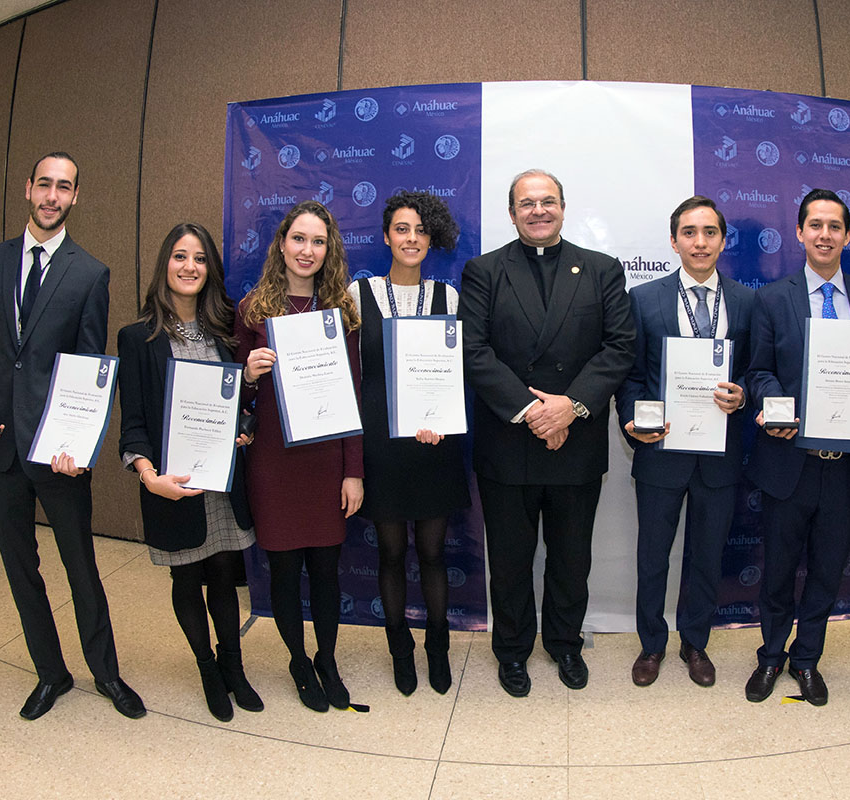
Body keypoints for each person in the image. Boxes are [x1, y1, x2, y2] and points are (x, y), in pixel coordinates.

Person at [0, 151, 145, 719]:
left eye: (64, 188)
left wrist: (80, 446)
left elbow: (89, 367)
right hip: (0, 449)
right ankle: (51, 674)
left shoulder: (89, 273)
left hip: (59, 454)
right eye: (44, 184)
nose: (52, 196)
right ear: (28, 189)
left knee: (80, 567)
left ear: (76, 197)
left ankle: (106, 675)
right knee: (20, 569)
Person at [458, 169, 634, 696]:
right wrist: (534, 413)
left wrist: (571, 406)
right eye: (527, 203)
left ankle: (564, 644)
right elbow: (473, 349)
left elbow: (619, 347)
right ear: (511, 213)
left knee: (571, 559)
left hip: (575, 445)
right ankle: (512, 651)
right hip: (508, 444)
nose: (538, 210)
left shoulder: (602, 270)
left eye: (548, 201)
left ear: (563, 207)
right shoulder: (484, 271)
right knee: (510, 562)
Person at [744, 188, 850, 707]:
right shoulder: (771, 298)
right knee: (780, 570)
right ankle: (770, 655)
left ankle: (806, 659)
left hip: (845, 468)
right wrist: (774, 403)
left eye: (835, 226)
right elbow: (758, 371)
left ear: (848, 236)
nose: (825, 234)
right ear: (800, 233)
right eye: (816, 225)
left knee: (827, 571)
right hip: (789, 462)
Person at [117, 222, 263, 721]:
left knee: (224, 573)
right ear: (165, 265)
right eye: (180, 257)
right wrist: (147, 474)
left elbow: (238, 400)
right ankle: (206, 668)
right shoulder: (138, 337)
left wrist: (243, 426)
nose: (190, 267)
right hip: (172, 485)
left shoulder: (224, 329)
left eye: (200, 259)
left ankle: (233, 666)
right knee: (188, 579)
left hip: (222, 484)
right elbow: (132, 421)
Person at [615, 196, 753, 687]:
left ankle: (695, 642)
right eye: (690, 233)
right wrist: (633, 417)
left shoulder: (745, 301)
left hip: (720, 454)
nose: (700, 242)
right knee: (653, 555)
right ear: (673, 242)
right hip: (660, 453)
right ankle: (651, 645)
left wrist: (745, 395)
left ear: (722, 240)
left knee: (707, 555)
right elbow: (630, 377)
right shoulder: (644, 299)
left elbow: (757, 373)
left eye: (710, 232)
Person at [234, 200, 364, 713]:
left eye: (318, 241)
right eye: (298, 239)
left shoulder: (342, 312)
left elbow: (354, 394)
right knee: (284, 572)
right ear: (282, 244)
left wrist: (353, 470)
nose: (307, 250)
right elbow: (233, 397)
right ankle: (296, 659)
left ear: (328, 249)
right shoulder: (252, 309)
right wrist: (246, 373)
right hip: (273, 463)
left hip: (326, 463)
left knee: (327, 569)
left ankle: (327, 659)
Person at [346, 191, 469, 696]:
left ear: (431, 238)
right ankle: (400, 647)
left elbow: (456, 373)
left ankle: (437, 645)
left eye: (420, 230)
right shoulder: (358, 296)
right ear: (386, 237)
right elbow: (350, 374)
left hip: (435, 444)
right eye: (401, 228)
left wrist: (439, 415)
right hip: (383, 447)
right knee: (392, 554)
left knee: (434, 552)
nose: (411, 238)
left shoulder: (449, 297)